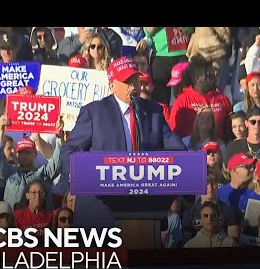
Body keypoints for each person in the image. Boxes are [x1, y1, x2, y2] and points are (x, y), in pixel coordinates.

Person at [59, 56, 187, 190]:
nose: (132, 85)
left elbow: (178, 149)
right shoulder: (93, 113)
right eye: (127, 81)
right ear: (112, 86)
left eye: (135, 79)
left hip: (146, 196)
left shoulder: (153, 111)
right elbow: (69, 152)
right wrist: (84, 176)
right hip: (103, 194)